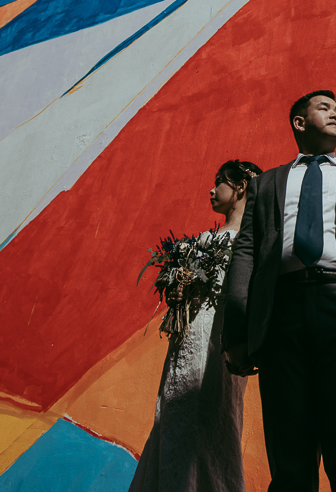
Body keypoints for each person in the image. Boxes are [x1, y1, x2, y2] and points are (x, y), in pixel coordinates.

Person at [222, 90, 336, 492]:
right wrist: (237, 332)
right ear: (299, 123)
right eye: (325, 108)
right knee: (290, 459)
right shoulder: (266, 184)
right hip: (281, 317)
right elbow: (246, 255)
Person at [130, 159, 263, 492]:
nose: (211, 189)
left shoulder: (252, 243)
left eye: (219, 182)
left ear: (240, 188)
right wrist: (177, 288)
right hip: (186, 340)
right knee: (174, 415)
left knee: (214, 419)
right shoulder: (201, 241)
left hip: (222, 341)